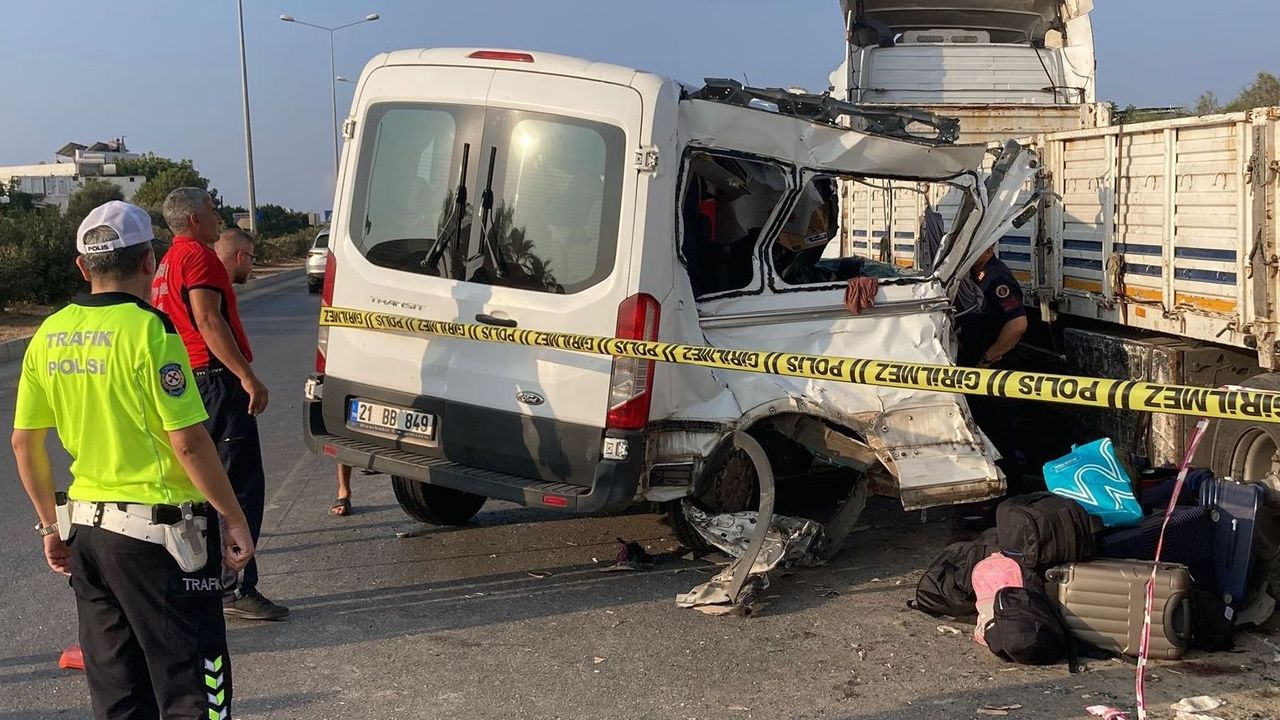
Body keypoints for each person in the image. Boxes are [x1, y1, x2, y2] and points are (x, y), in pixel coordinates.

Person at [12, 200, 254, 719]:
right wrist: (233, 516)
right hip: (161, 538)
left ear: (83, 267)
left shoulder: (48, 334)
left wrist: (49, 526)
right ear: (150, 260)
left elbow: (24, 444)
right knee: (194, 689)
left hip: (87, 533)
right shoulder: (152, 331)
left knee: (118, 695)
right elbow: (188, 442)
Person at [152, 188, 288, 621]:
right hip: (213, 380)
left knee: (201, 485)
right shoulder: (199, 257)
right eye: (212, 210)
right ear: (194, 218)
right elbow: (208, 319)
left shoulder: (167, 262)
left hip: (184, 382)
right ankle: (237, 586)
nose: (218, 217)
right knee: (238, 484)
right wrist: (246, 376)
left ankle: (204, 583)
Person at [957, 246, 1030, 478]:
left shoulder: (997, 279)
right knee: (985, 427)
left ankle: (1010, 486)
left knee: (999, 431)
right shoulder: (974, 276)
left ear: (987, 249)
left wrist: (987, 359)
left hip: (995, 368)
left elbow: (1017, 324)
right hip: (978, 366)